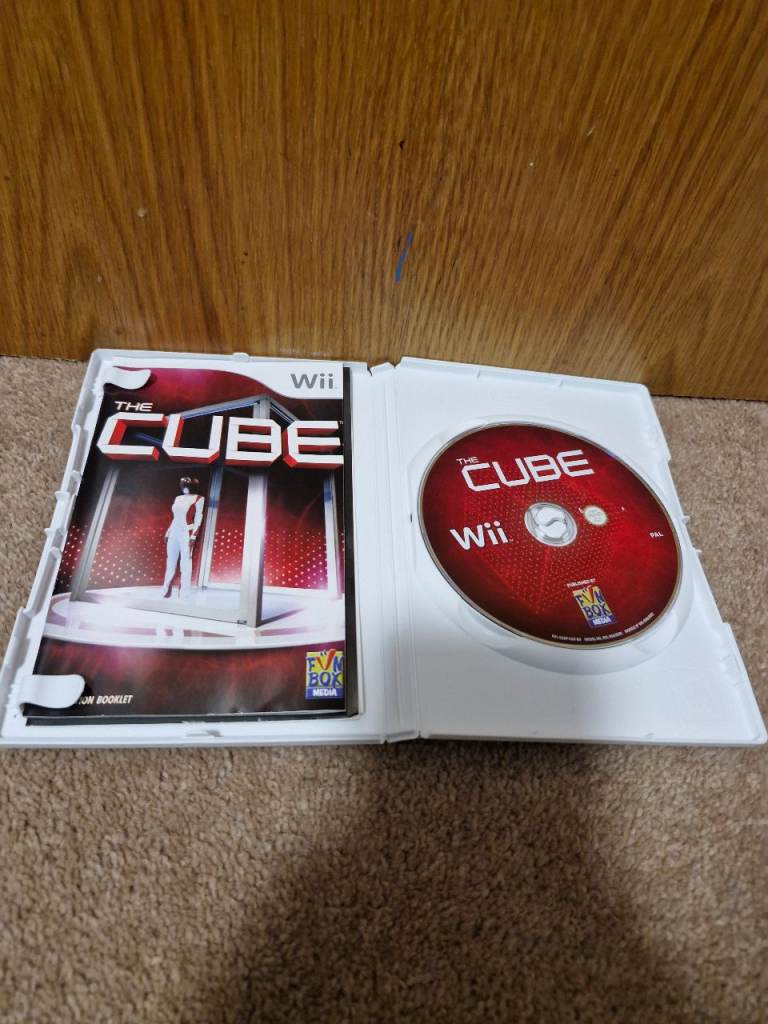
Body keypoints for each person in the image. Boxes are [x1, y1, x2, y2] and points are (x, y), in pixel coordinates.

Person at [162, 476, 204, 599]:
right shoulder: (178, 498)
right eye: (182, 484)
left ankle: (184, 592)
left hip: (186, 532)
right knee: (170, 561)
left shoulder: (199, 498)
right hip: (174, 531)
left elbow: (198, 517)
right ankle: (166, 590)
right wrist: (168, 532)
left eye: (185, 484)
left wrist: (194, 536)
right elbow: (175, 518)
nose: (183, 486)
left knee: (185, 563)